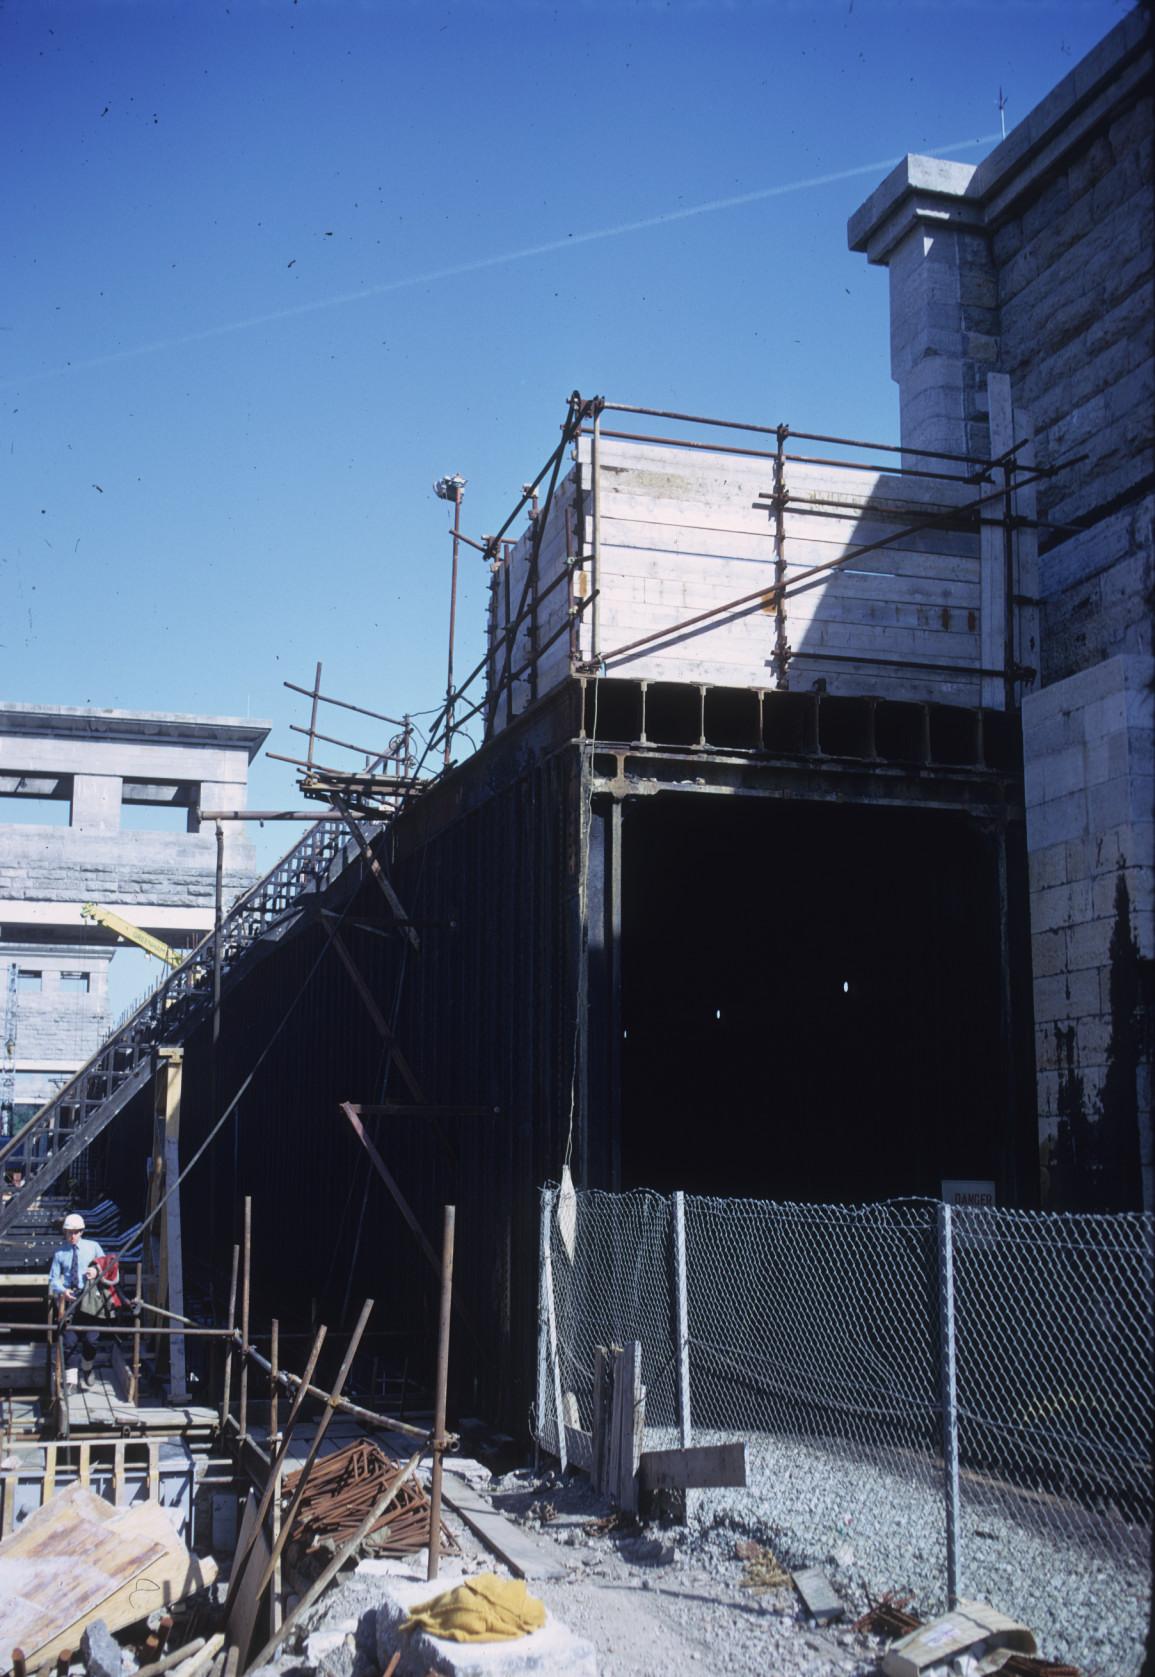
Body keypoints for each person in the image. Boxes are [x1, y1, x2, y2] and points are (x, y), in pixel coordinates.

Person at [48, 1212, 105, 1388]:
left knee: (91, 1339)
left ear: (81, 1232)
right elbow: (53, 1278)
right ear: (64, 1233)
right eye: (68, 1232)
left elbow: (107, 1265)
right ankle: (71, 1381)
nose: (72, 1236)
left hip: (90, 1299)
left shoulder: (93, 1247)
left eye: (75, 1232)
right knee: (69, 1341)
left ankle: (87, 1368)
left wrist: (96, 1270)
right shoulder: (60, 1254)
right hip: (69, 1300)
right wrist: (62, 1291)